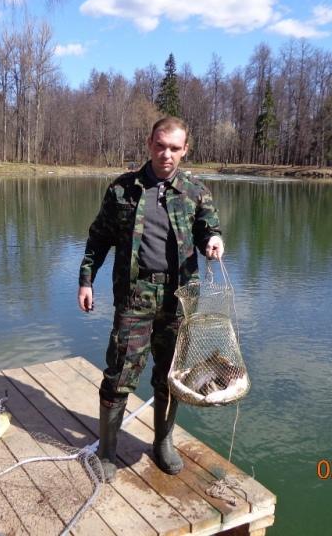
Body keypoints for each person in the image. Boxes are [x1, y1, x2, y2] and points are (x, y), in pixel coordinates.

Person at [77, 116, 224, 483]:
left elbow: (210, 228)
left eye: (175, 148)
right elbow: (97, 241)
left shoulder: (196, 191)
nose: (167, 154)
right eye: (161, 146)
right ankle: (107, 453)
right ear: (149, 144)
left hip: (180, 299)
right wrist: (86, 281)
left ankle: (162, 443)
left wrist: (213, 241)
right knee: (119, 374)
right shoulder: (122, 190)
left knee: (170, 376)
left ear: (185, 150)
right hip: (135, 296)